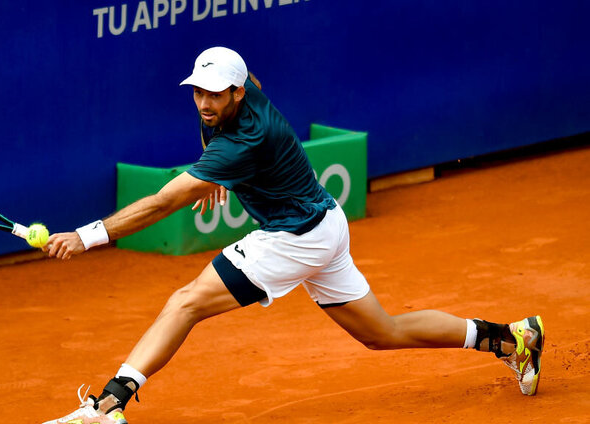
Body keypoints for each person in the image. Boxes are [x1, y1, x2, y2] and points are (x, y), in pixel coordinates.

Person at [41, 47, 544, 424]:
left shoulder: (244, 138)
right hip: (325, 222)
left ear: (238, 93)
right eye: (197, 91)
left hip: (295, 235)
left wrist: (87, 237)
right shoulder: (246, 93)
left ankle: (110, 403)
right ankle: (510, 338)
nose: (202, 103)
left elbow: (164, 201)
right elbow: (241, 89)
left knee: (186, 301)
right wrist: (219, 177)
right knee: (380, 333)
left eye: (214, 94)